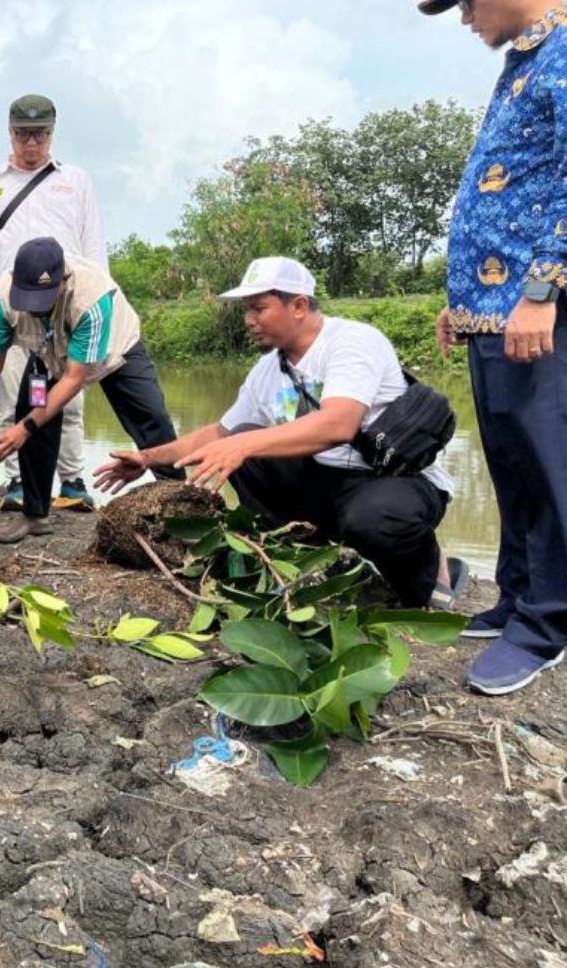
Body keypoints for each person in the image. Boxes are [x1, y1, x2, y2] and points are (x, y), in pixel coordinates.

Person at [94, 257, 458, 610]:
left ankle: (432, 575)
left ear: (298, 305)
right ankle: (307, 560)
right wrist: (146, 458)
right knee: (244, 441)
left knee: (373, 520)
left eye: (259, 309)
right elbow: (220, 432)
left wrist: (241, 444)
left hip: (393, 480)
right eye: (246, 311)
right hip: (327, 480)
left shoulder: (353, 342)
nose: (249, 320)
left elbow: (338, 424)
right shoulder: (267, 370)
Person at [420, 0, 567, 694]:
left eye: (468, 2)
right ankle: (516, 596)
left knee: (547, 466)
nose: (463, 18)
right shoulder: (522, 65)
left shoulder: (566, 47)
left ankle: (548, 623)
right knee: (508, 465)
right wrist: (465, 304)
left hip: (536, 311)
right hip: (491, 313)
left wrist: (543, 288)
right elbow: (502, 191)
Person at [0, 237, 179, 543]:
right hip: (47, 358)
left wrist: (24, 428)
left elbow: (73, 380)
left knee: (152, 420)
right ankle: (35, 514)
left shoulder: (92, 299)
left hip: (116, 352)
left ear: (65, 280)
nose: (33, 308)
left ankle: (184, 511)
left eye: (42, 297)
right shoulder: (4, 300)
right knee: (30, 413)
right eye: (28, 297)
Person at [0, 94, 114, 513]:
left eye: (40, 135)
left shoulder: (75, 181)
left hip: (64, 308)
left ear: (52, 134)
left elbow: (93, 247)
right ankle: (19, 482)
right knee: (14, 399)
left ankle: (72, 481)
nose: (32, 144)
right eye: (23, 135)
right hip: (10, 309)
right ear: (10, 134)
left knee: (67, 398)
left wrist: (99, 296)